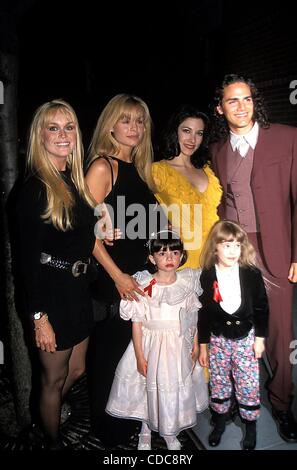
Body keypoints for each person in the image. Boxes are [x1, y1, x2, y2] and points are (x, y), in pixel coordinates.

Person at [209, 73, 297, 442]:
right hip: (235, 252)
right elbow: (222, 201)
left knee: (278, 330)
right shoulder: (216, 150)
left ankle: (280, 402)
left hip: (277, 248)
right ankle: (228, 401)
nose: (241, 106)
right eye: (232, 101)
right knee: (231, 324)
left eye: (246, 99)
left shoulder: (287, 137)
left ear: (254, 102)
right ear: (221, 108)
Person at [14, 99, 99, 449]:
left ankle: (43, 412)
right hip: (48, 296)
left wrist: (101, 231)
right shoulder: (33, 189)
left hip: (76, 291)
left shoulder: (70, 179)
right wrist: (38, 317)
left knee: (75, 370)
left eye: (69, 127)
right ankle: (49, 440)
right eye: (53, 127)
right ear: (40, 135)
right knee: (53, 380)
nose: (63, 135)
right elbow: (25, 263)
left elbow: (74, 234)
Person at [85, 93, 160, 447]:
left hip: (139, 282)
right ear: (110, 124)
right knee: (108, 361)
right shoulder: (104, 166)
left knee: (128, 363)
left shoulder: (141, 172)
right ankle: (106, 435)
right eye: (125, 119)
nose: (134, 128)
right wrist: (117, 276)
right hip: (115, 284)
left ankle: (123, 426)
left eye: (140, 120)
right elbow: (82, 233)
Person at [106, 230, 209, 450]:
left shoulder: (187, 282)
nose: (169, 258)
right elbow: (137, 322)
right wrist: (140, 355)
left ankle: (169, 432)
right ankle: (145, 429)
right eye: (162, 253)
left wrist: (195, 344)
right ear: (152, 258)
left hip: (178, 348)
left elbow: (193, 316)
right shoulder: (144, 284)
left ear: (182, 256)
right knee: (148, 388)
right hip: (150, 346)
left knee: (170, 390)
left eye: (174, 252)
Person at [198, 220, 269, 450]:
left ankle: (250, 426)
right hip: (218, 340)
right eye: (227, 245)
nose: (232, 251)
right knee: (219, 382)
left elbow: (261, 308)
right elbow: (205, 313)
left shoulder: (251, 274)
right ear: (215, 248)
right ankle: (219, 421)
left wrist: (260, 339)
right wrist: (203, 345)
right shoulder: (208, 276)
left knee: (247, 383)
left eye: (237, 245)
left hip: (246, 338)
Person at [152, 104, 222, 268]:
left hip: (218, 258)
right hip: (184, 262)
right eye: (186, 131)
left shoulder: (209, 169)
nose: (192, 139)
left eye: (199, 133)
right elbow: (135, 208)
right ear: (175, 131)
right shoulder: (157, 171)